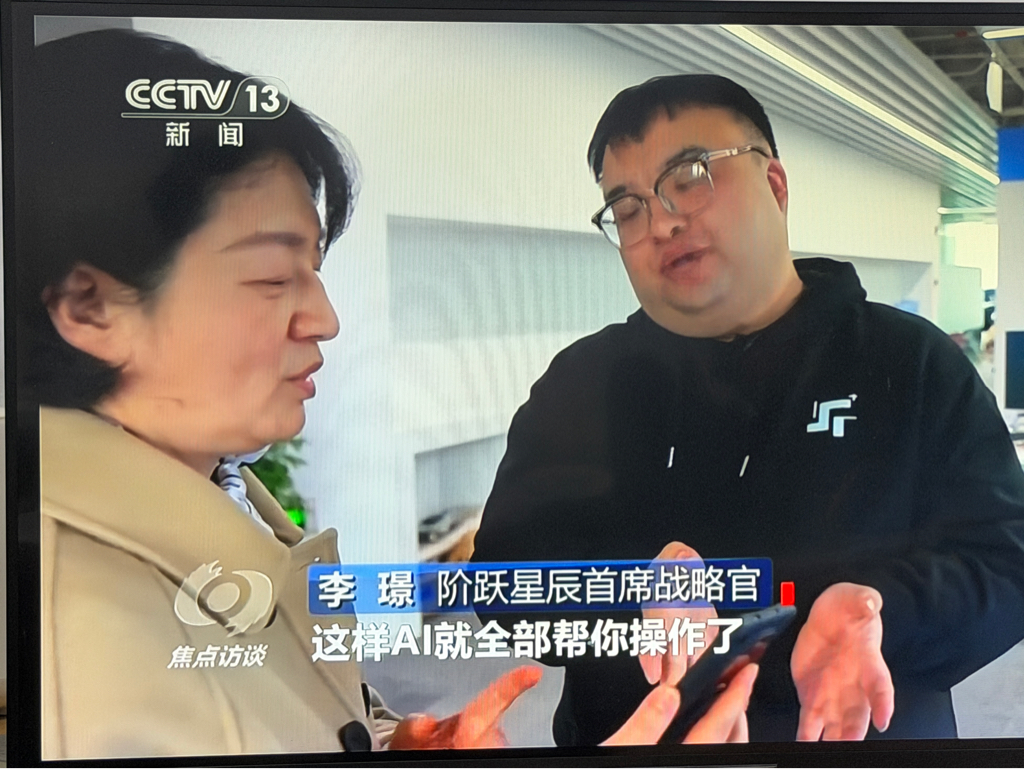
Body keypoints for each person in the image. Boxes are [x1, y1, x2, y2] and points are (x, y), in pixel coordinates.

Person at [19, 32, 757, 759]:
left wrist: (391, 742)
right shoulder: (61, 634)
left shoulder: (225, 495)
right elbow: (507, 567)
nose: (325, 319)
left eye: (313, 269)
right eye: (272, 276)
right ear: (89, 307)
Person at [472, 74, 1024, 744]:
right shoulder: (585, 382)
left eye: (690, 176)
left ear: (776, 185)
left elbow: (1005, 557)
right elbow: (502, 577)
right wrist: (632, 587)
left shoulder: (908, 362)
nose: (662, 222)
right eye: (627, 207)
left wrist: (885, 610)